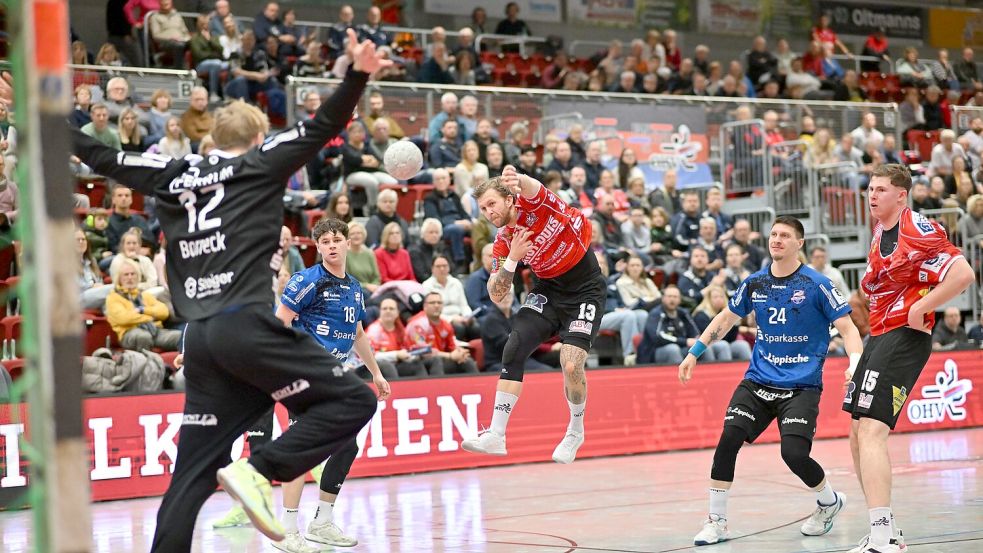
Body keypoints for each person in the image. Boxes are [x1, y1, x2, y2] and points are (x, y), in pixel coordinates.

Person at [70, 30, 390, 551]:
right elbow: (323, 126)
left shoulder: (173, 172)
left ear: (213, 137)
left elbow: (102, 158)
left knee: (189, 480)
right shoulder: (259, 162)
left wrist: (48, 121)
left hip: (199, 338)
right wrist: (357, 74)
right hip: (246, 323)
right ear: (258, 134)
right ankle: (260, 470)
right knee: (352, 402)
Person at [679, 215, 862, 546]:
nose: (776, 239)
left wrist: (855, 361)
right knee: (729, 438)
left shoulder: (817, 284)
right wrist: (695, 352)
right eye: (774, 234)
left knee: (793, 454)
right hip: (758, 380)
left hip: (801, 385)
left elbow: (848, 329)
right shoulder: (756, 283)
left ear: (799, 244)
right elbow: (726, 318)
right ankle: (716, 521)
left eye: (785, 235)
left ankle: (828, 501)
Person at [843, 164, 974, 553]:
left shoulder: (916, 227)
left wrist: (924, 307)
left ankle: (882, 534)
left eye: (881, 189)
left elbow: (963, 273)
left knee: (872, 432)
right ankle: (887, 530)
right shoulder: (880, 232)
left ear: (901, 195)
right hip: (879, 337)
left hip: (904, 336)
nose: (872, 195)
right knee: (855, 433)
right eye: (870, 188)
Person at [462, 165, 605, 464]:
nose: (488, 212)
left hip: (584, 288)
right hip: (548, 289)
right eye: (483, 208)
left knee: (571, 365)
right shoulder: (503, 241)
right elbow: (495, 293)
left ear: (510, 199)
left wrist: (517, 179)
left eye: (492, 204)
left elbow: (531, 186)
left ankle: (575, 431)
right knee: (514, 345)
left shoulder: (534, 202)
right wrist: (513, 259)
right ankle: (496, 435)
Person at [270, 218, 390, 552]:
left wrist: (376, 373)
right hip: (305, 375)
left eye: (337, 239)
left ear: (348, 243)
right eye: (325, 242)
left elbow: (358, 334)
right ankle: (288, 530)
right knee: (302, 450)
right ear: (318, 247)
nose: (332, 245)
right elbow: (280, 325)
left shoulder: (354, 287)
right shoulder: (307, 281)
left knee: (346, 446)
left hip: (334, 376)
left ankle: (322, 521)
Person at [106, 258, 182, 352]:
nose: (130, 277)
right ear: (119, 278)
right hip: (129, 333)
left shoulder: (145, 295)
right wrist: (151, 317)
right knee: (144, 337)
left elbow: (164, 311)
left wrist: (143, 310)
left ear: (138, 277)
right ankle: (148, 366)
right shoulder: (113, 297)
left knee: (181, 336)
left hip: (154, 330)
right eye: (126, 274)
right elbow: (124, 318)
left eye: (133, 274)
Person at [405, 292, 479, 375]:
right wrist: (450, 356)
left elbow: (451, 346)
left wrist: (459, 352)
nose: (436, 305)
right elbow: (421, 351)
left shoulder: (446, 325)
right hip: (416, 362)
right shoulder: (417, 324)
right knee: (436, 360)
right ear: (424, 306)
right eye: (432, 303)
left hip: (441, 359)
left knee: (466, 361)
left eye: (439, 303)